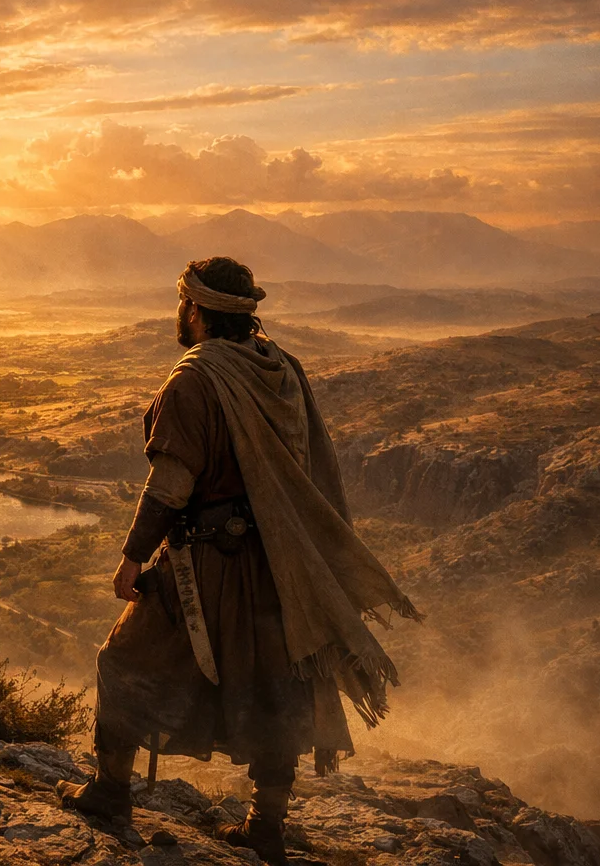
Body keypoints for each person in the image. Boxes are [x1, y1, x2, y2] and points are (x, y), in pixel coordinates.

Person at [57, 256, 420, 864]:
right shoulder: (281, 367)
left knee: (124, 663)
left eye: (184, 305)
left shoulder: (193, 381)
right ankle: (266, 827)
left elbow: (171, 484)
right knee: (278, 685)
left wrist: (131, 559)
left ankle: (110, 793)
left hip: (206, 563)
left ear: (194, 309)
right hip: (281, 563)